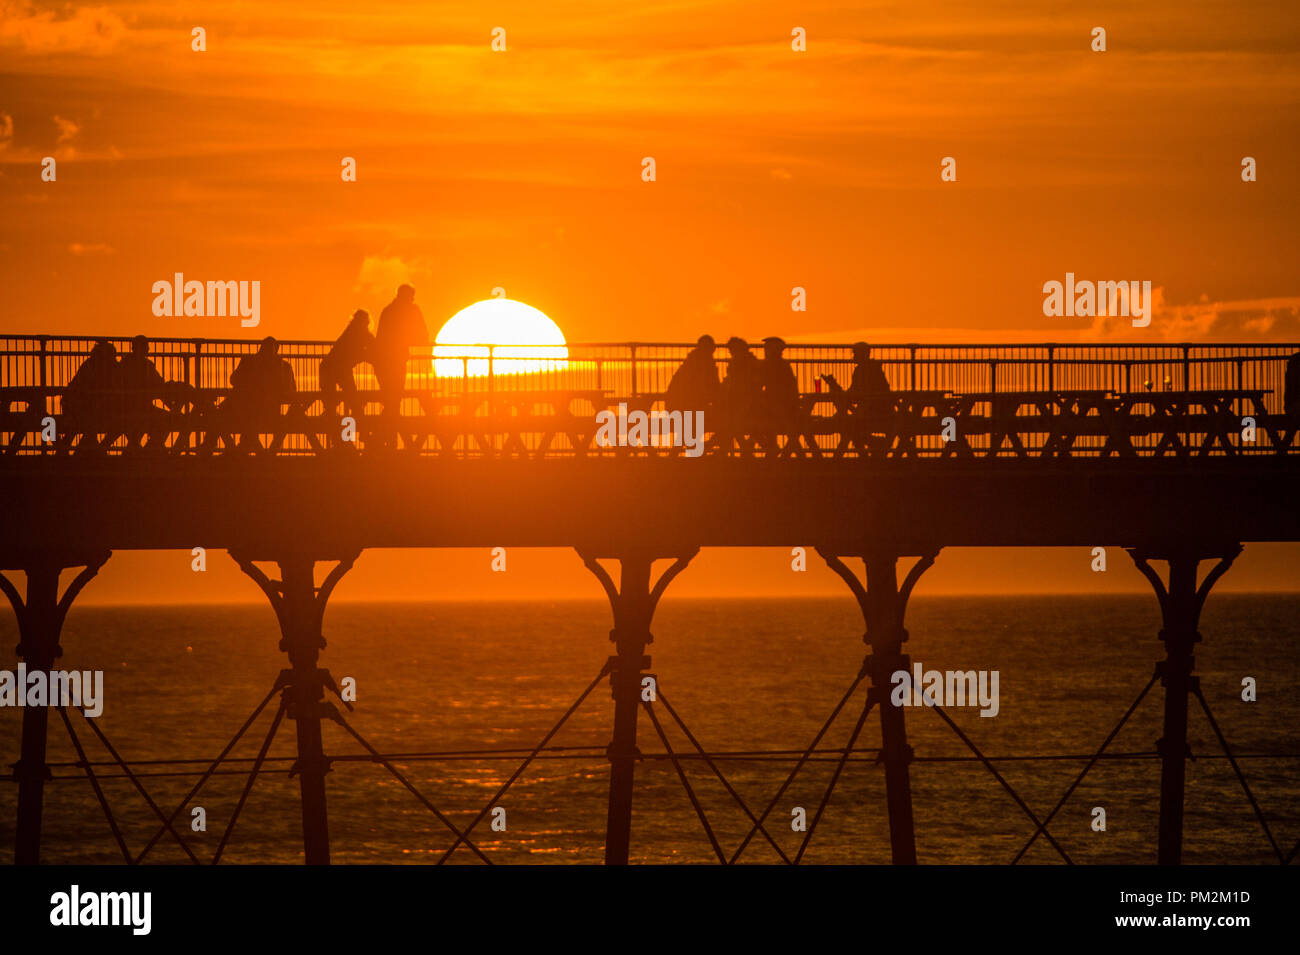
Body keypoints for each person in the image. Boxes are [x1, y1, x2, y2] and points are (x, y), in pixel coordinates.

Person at [220, 336, 296, 452]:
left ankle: (233, 450)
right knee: (220, 415)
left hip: (244, 410)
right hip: (268, 412)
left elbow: (233, 380)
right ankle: (241, 451)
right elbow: (291, 391)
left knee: (218, 415)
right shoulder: (283, 366)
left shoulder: (249, 361)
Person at [822, 342, 891, 453]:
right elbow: (853, 396)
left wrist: (834, 387)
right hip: (875, 411)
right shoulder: (872, 369)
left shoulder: (862, 371)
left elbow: (852, 397)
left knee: (846, 424)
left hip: (872, 413)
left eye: (855, 353)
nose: (853, 357)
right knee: (847, 422)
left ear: (862, 354)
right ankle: (869, 447)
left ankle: (867, 448)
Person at [373, 285, 428, 420]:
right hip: (395, 360)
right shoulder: (410, 311)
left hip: (383, 360)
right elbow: (423, 336)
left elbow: (381, 336)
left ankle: (384, 430)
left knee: (391, 397)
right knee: (395, 395)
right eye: (411, 297)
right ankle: (387, 427)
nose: (412, 300)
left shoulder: (388, 310)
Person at [59, 340, 119, 453]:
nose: (114, 358)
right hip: (80, 408)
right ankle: (96, 450)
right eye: (112, 355)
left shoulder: (92, 365)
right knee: (89, 424)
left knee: (87, 425)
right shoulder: (97, 367)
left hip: (83, 407)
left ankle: (78, 450)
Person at [113, 335, 169, 450]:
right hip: (140, 408)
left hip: (125, 407)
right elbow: (159, 384)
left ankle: (142, 448)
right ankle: (151, 448)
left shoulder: (124, 364)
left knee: (145, 425)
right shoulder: (146, 365)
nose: (148, 350)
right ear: (141, 348)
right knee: (166, 420)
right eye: (146, 347)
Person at [665, 335, 720, 443]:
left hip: (680, 407)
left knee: (705, 419)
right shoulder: (702, 364)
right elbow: (711, 387)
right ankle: (703, 449)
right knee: (722, 420)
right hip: (685, 408)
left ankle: (689, 449)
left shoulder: (692, 362)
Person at [320, 309, 374, 418]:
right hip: (337, 368)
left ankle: (335, 427)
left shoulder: (352, 331)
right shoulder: (359, 333)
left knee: (334, 403)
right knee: (350, 399)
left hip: (329, 367)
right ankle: (359, 424)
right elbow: (373, 347)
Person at [759, 336, 801, 455]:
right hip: (784, 407)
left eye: (767, 348)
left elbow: (760, 385)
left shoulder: (770, 365)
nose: (765, 351)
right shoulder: (783, 365)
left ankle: (772, 450)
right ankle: (780, 452)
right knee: (790, 431)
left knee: (757, 422)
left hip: (778, 407)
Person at [719, 336, 762, 451]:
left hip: (745, 402)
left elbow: (735, 383)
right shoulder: (751, 361)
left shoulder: (740, 362)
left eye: (731, 350)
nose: (731, 353)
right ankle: (744, 445)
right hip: (746, 401)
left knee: (729, 420)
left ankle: (741, 446)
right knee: (729, 420)